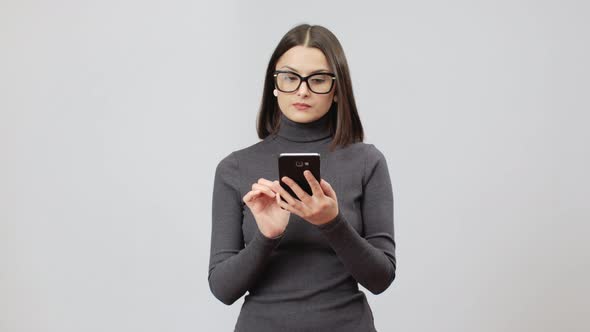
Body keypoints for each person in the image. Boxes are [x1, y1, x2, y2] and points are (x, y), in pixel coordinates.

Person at [208, 23, 396, 332]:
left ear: (337, 90)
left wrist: (332, 222)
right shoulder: (235, 167)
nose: (303, 90)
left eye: (318, 79)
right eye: (290, 77)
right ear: (275, 84)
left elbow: (380, 278)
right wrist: (267, 236)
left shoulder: (367, 162)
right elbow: (223, 289)